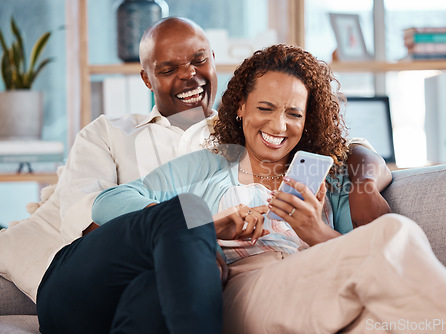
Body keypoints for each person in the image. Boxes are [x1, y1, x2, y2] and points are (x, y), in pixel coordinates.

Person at [90, 44, 446, 334]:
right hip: (242, 294)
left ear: (308, 120)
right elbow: (110, 204)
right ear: (241, 108)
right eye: (265, 108)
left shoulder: (330, 176)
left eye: (293, 113)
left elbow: (370, 166)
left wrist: (316, 232)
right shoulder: (208, 167)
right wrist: (206, 226)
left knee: (384, 323)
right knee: (394, 233)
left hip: (317, 290)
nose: (278, 126)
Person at [1, 15, 391, 306]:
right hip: (153, 273)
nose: (190, 76)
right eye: (168, 69)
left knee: (398, 245)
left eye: (199, 61)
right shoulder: (111, 134)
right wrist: (196, 230)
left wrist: (363, 181)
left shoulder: (252, 133)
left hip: (281, 275)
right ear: (146, 78)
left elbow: (344, 146)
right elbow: (92, 218)